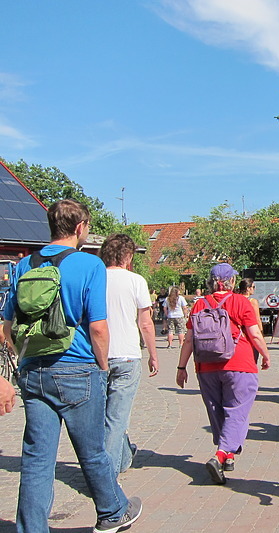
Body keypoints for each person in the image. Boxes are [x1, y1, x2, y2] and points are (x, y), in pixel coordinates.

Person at [2, 199, 142, 532]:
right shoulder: (88, 264)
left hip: (34, 371)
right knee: (92, 449)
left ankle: (31, 528)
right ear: (80, 228)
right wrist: (102, 364)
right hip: (77, 368)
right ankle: (112, 512)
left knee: (36, 457)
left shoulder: (25, 265)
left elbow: (5, 326)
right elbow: (97, 326)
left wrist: (22, 357)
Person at [176, 263, 271, 485]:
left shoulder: (199, 304)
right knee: (237, 411)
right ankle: (220, 456)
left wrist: (181, 368)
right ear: (232, 282)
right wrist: (265, 355)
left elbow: (189, 339)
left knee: (217, 409)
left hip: (206, 366)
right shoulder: (242, 302)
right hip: (239, 364)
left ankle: (228, 455)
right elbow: (255, 335)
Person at [99, 234, 159, 477]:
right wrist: (153, 354)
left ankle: (123, 457)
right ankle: (107, 479)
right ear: (128, 256)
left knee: (106, 415)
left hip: (98, 354)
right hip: (127, 355)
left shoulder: (95, 278)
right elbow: (145, 323)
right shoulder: (136, 281)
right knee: (116, 418)